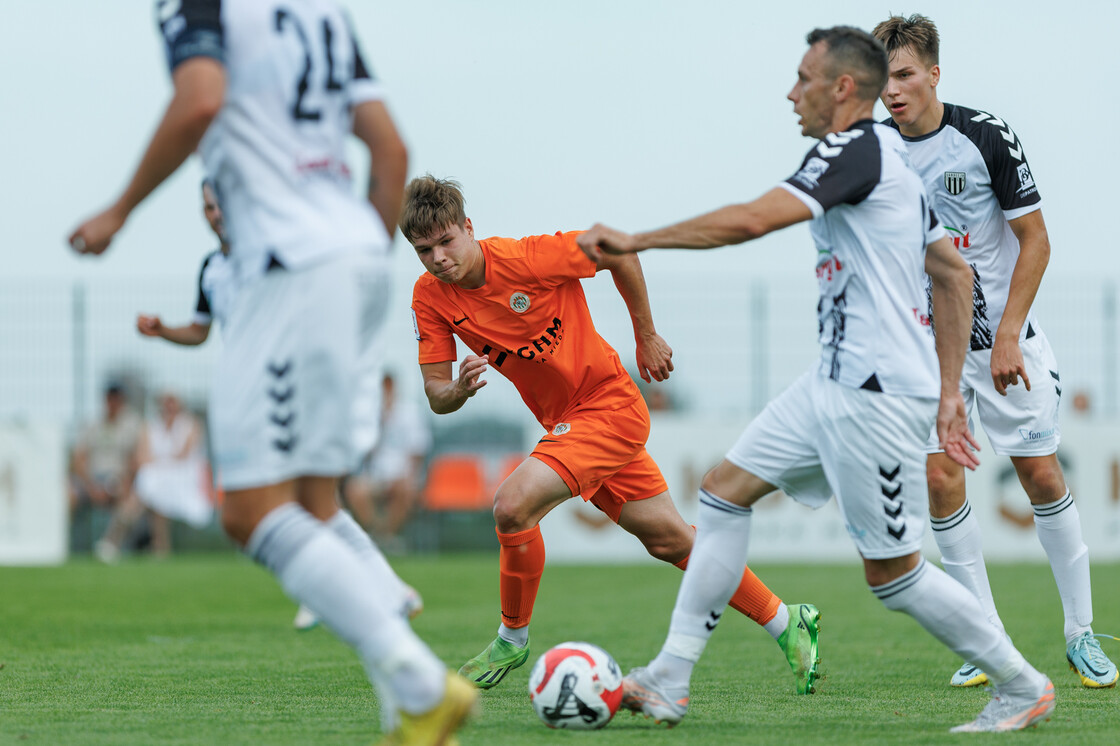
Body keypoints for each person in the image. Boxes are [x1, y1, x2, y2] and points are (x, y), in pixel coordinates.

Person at [577, 26, 1054, 733]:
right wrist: (951, 392)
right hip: (832, 381)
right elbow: (952, 274)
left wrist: (637, 239)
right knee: (722, 492)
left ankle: (1021, 685)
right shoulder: (890, 155)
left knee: (894, 578)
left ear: (841, 88)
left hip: (875, 395)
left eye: (802, 78)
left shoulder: (854, 148)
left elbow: (749, 222)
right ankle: (671, 678)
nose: (790, 92)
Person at [67, 2, 474, 743]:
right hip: (349, 256)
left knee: (250, 511)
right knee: (316, 508)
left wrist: (118, 210)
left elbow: (200, 102)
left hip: (287, 271)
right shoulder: (319, 9)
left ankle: (417, 683)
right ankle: (405, 709)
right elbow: (388, 147)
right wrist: (353, 253)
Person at [404, 175, 821, 694]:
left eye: (446, 241)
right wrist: (459, 391)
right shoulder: (429, 298)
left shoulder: (530, 258)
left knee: (512, 505)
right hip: (569, 425)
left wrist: (646, 335)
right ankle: (787, 621)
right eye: (425, 250)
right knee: (671, 540)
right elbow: (436, 394)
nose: (439, 257)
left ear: (468, 228)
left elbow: (618, 249)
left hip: (609, 407)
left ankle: (512, 638)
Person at [872, 13, 1117, 690]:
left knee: (1039, 474)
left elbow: (1035, 239)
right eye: (881, 78)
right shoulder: (874, 152)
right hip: (923, 354)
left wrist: (1009, 332)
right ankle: (984, 641)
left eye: (904, 75)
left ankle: (1080, 633)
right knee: (939, 479)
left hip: (1001, 344)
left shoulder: (984, 137)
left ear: (933, 74)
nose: (892, 90)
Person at [97, 391, 213, 559]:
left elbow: (183, 455)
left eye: (173, 402)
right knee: (152, 488)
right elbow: (142, 457)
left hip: (185, 481)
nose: (169, 406)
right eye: (166, 402)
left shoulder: (191, 425)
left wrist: (159, 462)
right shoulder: (150, 427)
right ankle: (158, 548)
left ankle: (116, 538)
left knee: (150, 488)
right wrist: (161, 463)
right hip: (158, 479)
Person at [136, 179, 237, 346]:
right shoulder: (210, 268)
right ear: (204, 213)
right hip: (237, 369)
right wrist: (162, 330)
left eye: (223, 204)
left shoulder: (269, 258)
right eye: (211, 208)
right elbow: (198, 332)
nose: (218, 214)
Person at [343, 372, 433, 545]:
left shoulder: (411, 412)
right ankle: (379, 534)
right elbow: (364, 451)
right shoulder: (371, 415)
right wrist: (381, 423)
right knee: (355, 490)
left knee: (405, 490)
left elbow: (417, 451)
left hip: (401, 474)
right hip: (377, 476)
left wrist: (409, 476)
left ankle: (385, 537)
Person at [70, 382, 143, 559]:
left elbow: (136, 460)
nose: (113, 403)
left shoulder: (133, 425)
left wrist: (126, 480)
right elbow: (78, 459)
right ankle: (61, 546)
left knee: (130, 500)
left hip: (119, 479)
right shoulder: (92, 424)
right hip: (91, 480)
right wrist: (90, 486)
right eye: (110, 398)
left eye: (116, 399)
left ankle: (110, 545)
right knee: (68, 494)